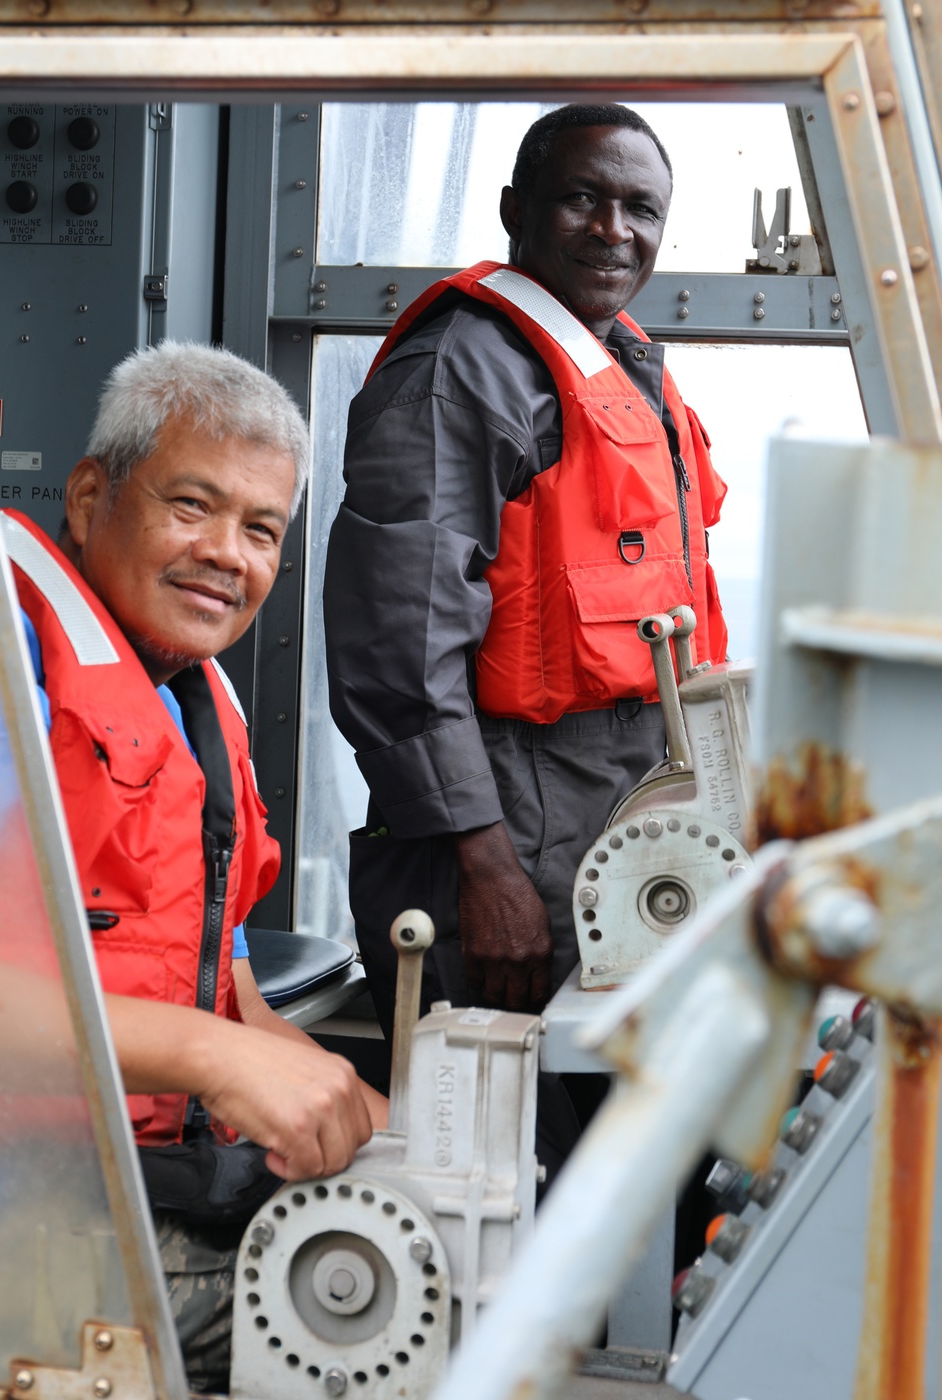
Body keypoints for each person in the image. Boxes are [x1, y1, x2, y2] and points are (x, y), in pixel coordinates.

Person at [0, 341, 388, 1390]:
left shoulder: (194, 703)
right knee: (365, 1332)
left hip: (120, 1180)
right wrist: (220, 1060)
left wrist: (364, 1117)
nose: (228, 553)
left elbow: (225, 985)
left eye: (261, 528)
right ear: (89, 496)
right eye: (191, 505)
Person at [323, 105, 729, 1056]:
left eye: (641, 209)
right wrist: (487, 868)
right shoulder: (458, 370)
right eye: (581, 198)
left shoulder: (617, 366)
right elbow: (397, 646)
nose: (612, 230)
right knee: (511, 1163)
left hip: (612, 821)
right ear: (516, 208)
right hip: (506, 839)